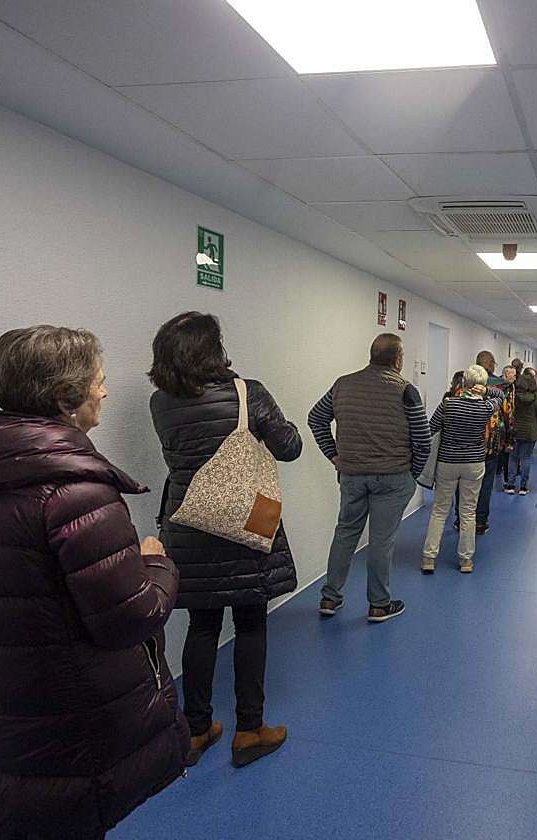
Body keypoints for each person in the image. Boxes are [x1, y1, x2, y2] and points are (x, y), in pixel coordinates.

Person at [0, 326, 188, 839]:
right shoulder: (74, 494)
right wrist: (156, 563)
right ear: (65, 398)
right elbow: (130, 616)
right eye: (98, 382)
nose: (104, 392)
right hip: (63, 717)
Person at [149, 312, 302, 768]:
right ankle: (250, 730)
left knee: (202, 626)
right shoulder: (246, 392)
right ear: (214, 351)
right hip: (245, 523)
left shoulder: (161, 402)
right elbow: (289, 447)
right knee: (251, 624)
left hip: (190, 524)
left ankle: (196, 730)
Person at [310, 333, 431, 623]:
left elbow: (316, 418)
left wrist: (335, 456)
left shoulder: (343, 384)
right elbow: (423, 440)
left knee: (345, 534)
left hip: (351, 475)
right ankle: (378, 605)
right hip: (393, 477)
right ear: (398, 360)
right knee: (381, 541)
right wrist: (412, 474)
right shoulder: (406, 390)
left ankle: (330, 597)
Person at [421, 365, 501, 573]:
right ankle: (465, 560)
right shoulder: (485, 408)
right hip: (474, 464)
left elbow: (431, 428)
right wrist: (487, 391)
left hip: (447, 463)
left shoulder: (448, 405)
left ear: (463, 382)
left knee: (439, 510)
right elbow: (500, 396)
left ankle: (429, 558)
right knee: (468, 512)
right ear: (481, 385)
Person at [469, 350, 512, 534]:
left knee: (463, 485)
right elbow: (508, 414)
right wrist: (508, 440)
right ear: (492, 365)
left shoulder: (463, 382)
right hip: (491, 444)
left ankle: (460, 519)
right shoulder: (500, 386)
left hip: (466, 442)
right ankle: (480, 522)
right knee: (485, 485)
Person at [510, 369, 537, 494]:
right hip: (531, 431)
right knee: (526, 458)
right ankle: (523, 487)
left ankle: (510, 485)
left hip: (515, 431)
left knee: (513, 458)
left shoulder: (514, 397)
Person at [499, 364, 518, 492]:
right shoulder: (498, 388)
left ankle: (507, 480)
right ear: (505, 375)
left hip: (509, 425)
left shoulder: (512, 386)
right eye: (513, 375)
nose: (515, 377)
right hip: (499, 425)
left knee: (507, 454)